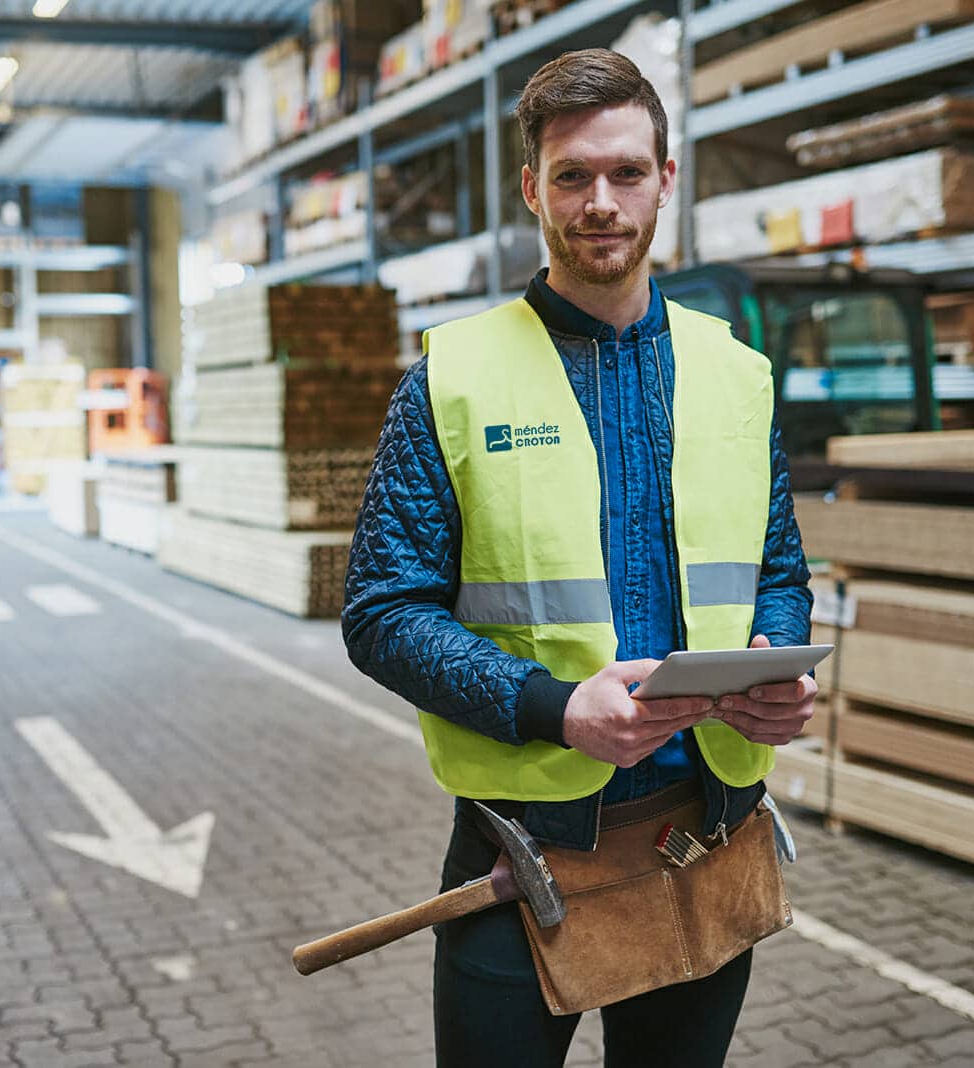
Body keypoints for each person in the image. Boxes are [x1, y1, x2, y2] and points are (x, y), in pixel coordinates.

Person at [343, 48, 816, 1067]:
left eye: (626, 173)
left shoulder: (736, 375)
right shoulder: (451, 379)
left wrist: (777, 660)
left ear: (665, 181)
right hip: (523, 851)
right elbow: (382, 612)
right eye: (572, 176)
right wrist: (556, 707)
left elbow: (776, 561)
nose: (600, 202)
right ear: (532, 189)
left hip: (705, 832)